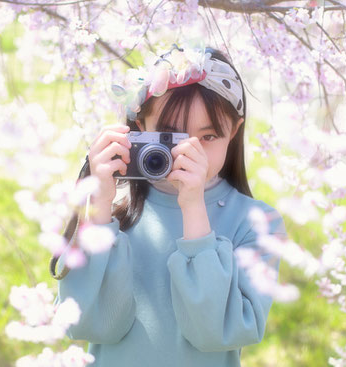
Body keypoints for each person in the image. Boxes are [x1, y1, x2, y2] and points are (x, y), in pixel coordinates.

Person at [51, 44, 287, 367]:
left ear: (234, 130)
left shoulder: (258, 222)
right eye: (170, 136)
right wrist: (98, 205)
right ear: (139, 126)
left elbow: (215, 334)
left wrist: (194, 211)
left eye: (207, 137)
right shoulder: (113, 207)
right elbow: (83, 322)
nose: (188, 153)